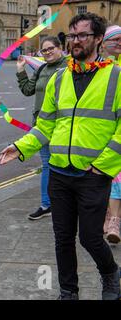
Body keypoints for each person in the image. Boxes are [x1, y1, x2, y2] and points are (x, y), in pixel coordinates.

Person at [0, 13, 121, 300]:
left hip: (93, 173)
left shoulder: (116, 78)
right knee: (63, 239)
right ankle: (68, 291)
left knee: (90, 238)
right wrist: (21, 147)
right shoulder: (58, 78)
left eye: (82, 36)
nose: (75, 42)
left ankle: (110, 273)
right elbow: (46, 125)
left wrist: (101, 166)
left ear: (99, 39)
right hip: (59, 173)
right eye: (71, 36)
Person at [16, 36, 68, 220]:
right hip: (42, 125)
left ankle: (69, 203)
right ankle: (47, 204)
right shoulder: (42, 68)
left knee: (66, 165)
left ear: (60, 48)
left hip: (63, 125)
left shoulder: (70, 66)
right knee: (47, 165)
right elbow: (28, 90)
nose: (47, 53)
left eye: (50, 48)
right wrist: (21, 71)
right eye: (44, 50)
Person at [102, 25, 121, 243]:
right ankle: (109, 215)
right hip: (105, 131)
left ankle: (114, 219)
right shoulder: (101, 65)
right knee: (109, 177)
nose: (118, 42)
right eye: (113, 39)